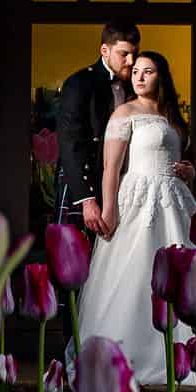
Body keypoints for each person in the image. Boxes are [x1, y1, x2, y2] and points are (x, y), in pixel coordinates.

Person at [77, 50, 196, 387]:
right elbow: (111, 167)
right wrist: (109, 210)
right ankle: (129, 354)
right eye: (135, 71)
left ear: (160, 77)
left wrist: (190, 173)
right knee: (136, 271)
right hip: (138, 198)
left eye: (147, 71)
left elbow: (179, 159)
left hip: (176, 199)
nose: (138, 77)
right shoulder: (125, 112)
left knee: (191, 273)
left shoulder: (171, 116)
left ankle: (192, 351)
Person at [56, 21, 140, 234]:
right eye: (124, 54)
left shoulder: (135, 85)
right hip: (86, 184)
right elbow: (70, 143)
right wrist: (87, 199)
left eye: (134, 54)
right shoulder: (79, 84)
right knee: (74, 252)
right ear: (105, 50)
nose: (131, 61)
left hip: (124, 184)